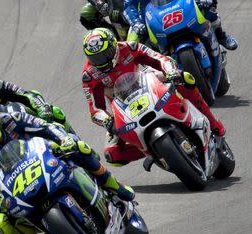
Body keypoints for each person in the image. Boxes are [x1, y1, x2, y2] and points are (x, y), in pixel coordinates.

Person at [0, 102, 134, 234]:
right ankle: (53, 229)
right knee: (3, 229)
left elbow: (44, 126)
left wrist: (63, 139)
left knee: (77, 146)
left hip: (45, 153)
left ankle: (112, 185)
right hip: (17, 180)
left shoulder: (11, 119)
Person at [81, 28, 225, 165]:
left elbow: (160, 58)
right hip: (123, 107)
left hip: (147, 82)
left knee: (184, 77)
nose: (101, 61)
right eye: (95, 58)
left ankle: (213, 124)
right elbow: (94, 109)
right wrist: (107, 120)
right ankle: (154, 151)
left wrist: (170, 71)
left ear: (114, 46)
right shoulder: (89, 75)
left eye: (104, 55)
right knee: (112, 155)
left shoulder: (129, 47)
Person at [124, 0, 238, 50]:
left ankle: (221, 36)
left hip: (180, 5)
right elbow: (128, 6)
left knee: (208, 9)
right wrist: (136, 22)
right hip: (152, 17)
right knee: (131, 43)